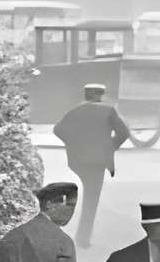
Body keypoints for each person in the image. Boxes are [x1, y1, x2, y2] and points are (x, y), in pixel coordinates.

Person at [55, 84, 131, 245]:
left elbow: (58, 130)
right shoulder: (109, 111)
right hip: (97, 161)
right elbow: (124, 133)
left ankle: (74, 233)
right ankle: (83, 238)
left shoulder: (75, 111)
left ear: (86, 94)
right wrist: (109, 147)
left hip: (78, 161)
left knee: (86, 193)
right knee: (91, 198)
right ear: (101, 95)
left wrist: (74, 144)